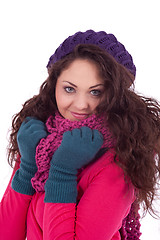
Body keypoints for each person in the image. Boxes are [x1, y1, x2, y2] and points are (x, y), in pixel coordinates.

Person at [0, 29, 160, 240]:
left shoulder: (118, 162)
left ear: (116, 95)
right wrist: (27, 168)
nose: (81, 105)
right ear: (53, 86)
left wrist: (63, 172)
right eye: (69, 89)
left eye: (96, 92)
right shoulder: (42, 145)